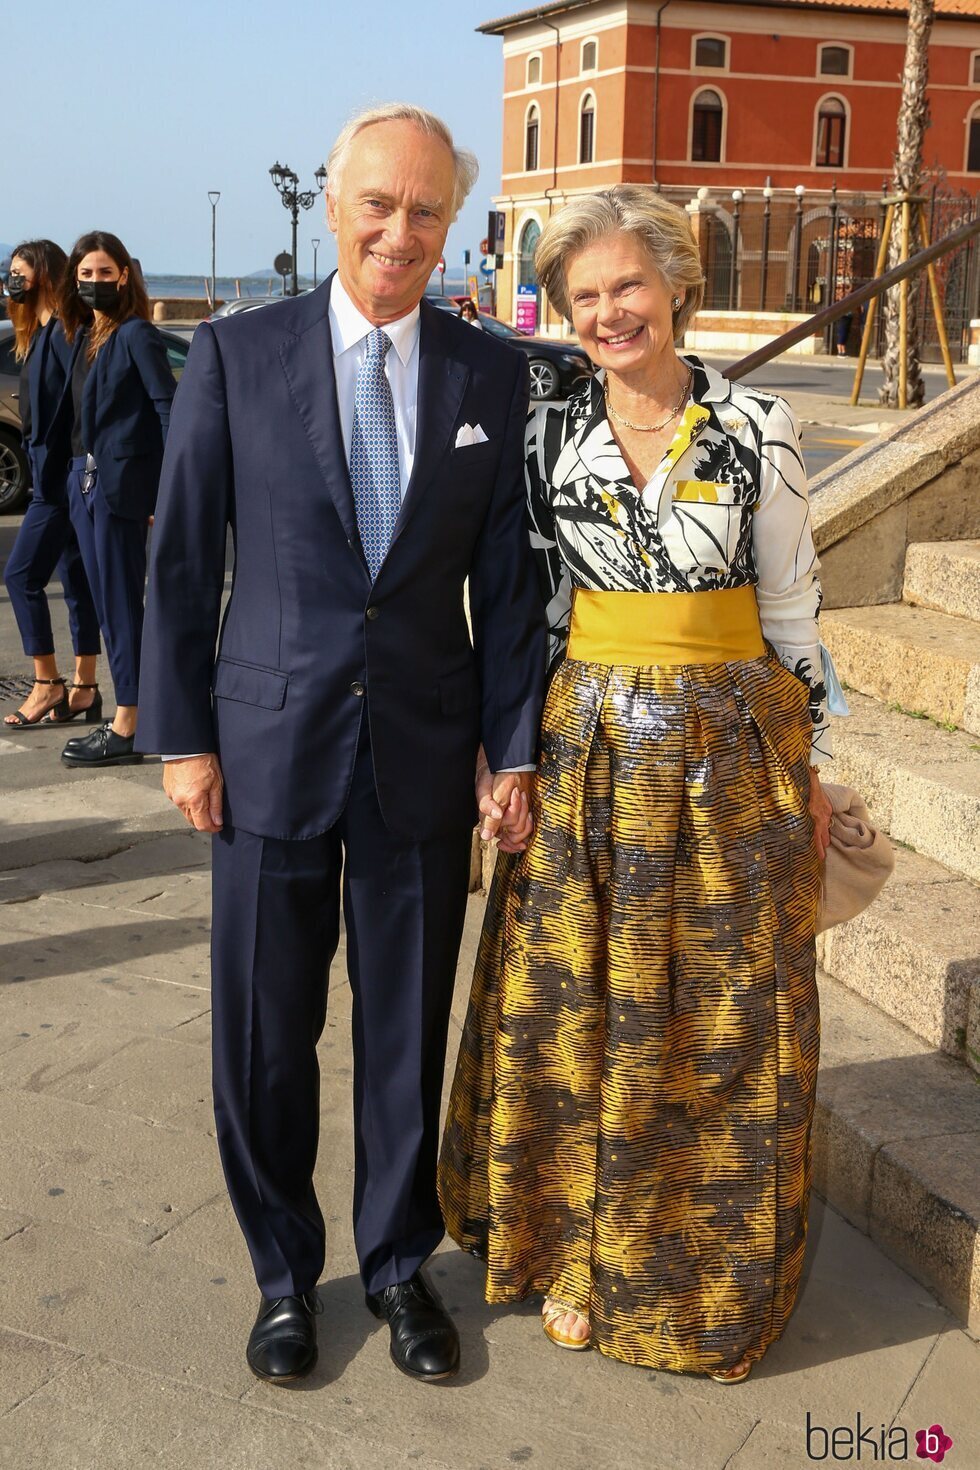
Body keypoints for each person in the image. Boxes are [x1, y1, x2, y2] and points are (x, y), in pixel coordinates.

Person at [136, 102, 545, 1386]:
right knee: (263, 1038)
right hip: (263, 758)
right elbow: (181, 558)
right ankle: (279, 1275)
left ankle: (394, 1265)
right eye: (379, 204)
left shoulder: (492, 374)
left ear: (450, 225)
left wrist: (512, 748)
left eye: (426, 211)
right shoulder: (236, 357)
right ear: (332, 205)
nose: (400, 231)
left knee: (402, 1040)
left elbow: (511, 586)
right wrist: (181, 737)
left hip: (420, 764)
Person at [439, 185, 847, 1383]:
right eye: (585, 297)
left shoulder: (760, 426)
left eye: (628, 286)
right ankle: (570, 1254)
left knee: (715, 1026)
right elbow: (525, 611)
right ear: (564, 313)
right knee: (574, 1019)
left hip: (728, 764)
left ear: (675, 285)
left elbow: (791, 611)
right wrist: (502, 753)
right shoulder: (544, 431)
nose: (609, 311)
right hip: (582, 756)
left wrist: (811, 766)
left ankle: (694, 1277)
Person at [57, 231, 175, 767]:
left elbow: (166, 409)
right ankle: (134, 710)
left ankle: (129, 721)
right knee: (107, 604)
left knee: (124, 607)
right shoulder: (86, 335)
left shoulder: (135, 335)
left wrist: (169, 489)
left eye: (105, 273)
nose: (95, 282)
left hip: (121, 489)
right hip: (84, 484)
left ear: (124, 275)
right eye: (86, 274)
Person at [3, 241, 102, 728]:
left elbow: (79, 409)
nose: (11, 279)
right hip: (52, 475)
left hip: (61, 481)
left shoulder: (67, 332)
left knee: (20, 577)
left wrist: (76, 473)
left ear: (43, 273)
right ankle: (85, 687)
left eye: (17, 271)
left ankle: (47, 683)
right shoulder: (39, 332)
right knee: (78, 582)